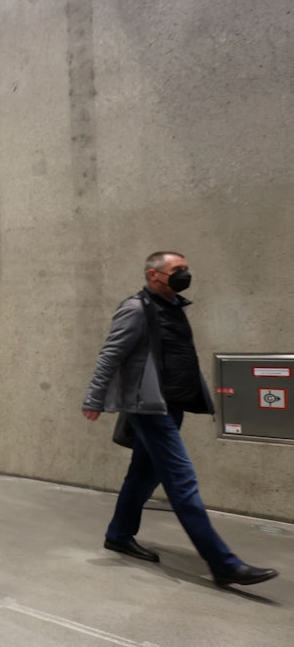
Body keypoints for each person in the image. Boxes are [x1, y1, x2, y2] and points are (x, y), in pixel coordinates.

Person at [82, 251, 278, 587]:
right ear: (154, 275)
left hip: (172, 405)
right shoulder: (136, 309)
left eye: (186, 269)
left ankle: (118, 534)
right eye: (177, 270)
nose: (185, 275)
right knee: (182, 481)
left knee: (143, 476)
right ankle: (223, 563)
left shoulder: (173, 307)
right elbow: (109, 355)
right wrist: (93, 398)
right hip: (149, 409)